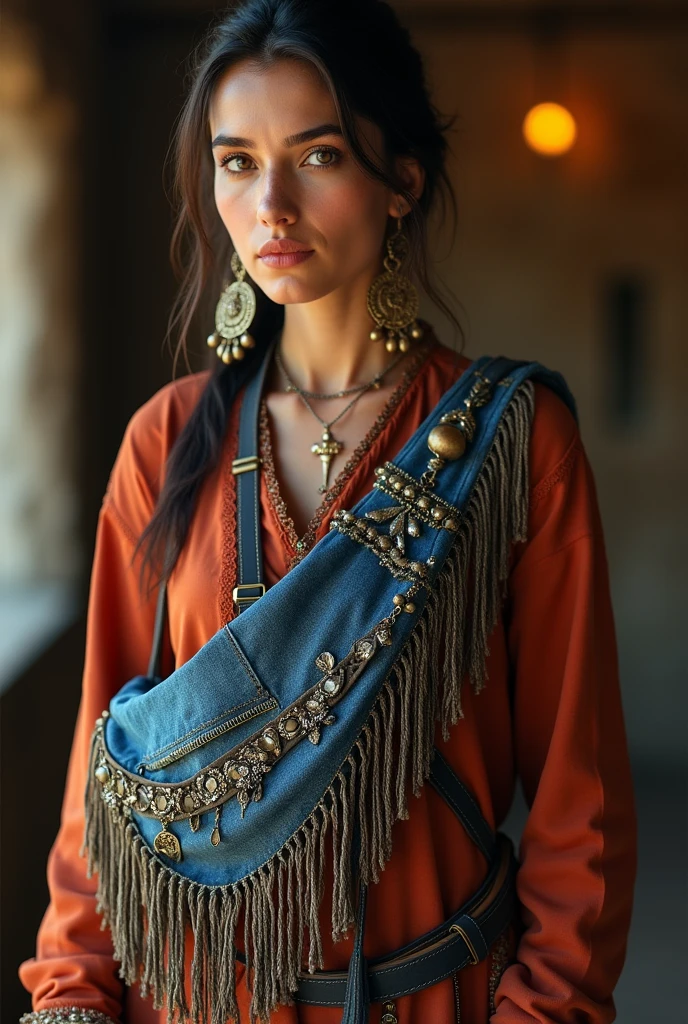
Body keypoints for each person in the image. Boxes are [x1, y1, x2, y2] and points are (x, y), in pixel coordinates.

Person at [18, 2, 636, 1023]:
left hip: (433, 1000)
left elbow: (584, 812)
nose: (270, 204)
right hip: (193, 1003)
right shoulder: (166, 444)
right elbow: (108, 783)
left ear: (401, 180)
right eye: (235, 161)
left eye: (316, 155)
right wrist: (73, 993)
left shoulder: (510, 442)